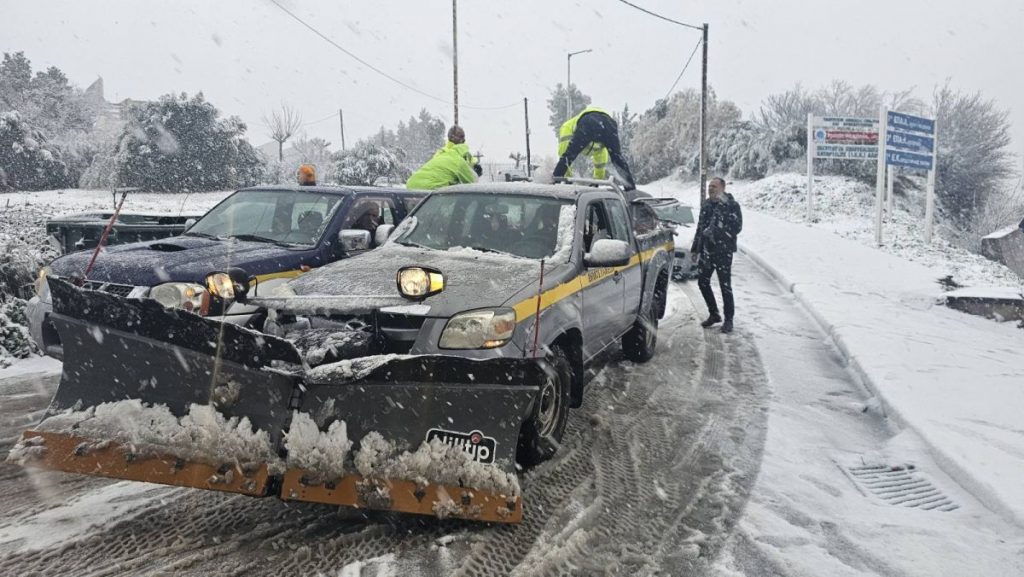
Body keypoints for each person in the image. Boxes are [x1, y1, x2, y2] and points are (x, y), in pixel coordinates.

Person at [691, 177, 743, 333]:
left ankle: (729, 320)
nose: (710, 189)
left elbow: (737, 227)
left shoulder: (731, 205)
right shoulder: (706, 204)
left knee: (725, 286)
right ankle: (714, 313)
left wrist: (718, 231)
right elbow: (700, 228)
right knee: (702, 282)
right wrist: (695, 249)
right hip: (707, 251)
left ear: (722, 188)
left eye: (714, 186)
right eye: (709, 186)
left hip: (723, 251)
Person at [552, 106, 636, 191]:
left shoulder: (566, 127)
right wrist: (596, 182)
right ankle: (631, 188)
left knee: (569, 154)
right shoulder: (599, 146)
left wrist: (564, 179)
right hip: (609, 123)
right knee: (617, 158)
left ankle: (553, 184)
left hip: (588, 121)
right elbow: (600, 162)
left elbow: (566, 155)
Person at [406, 126, 478, 190]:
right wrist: (473, 172)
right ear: (452, 137)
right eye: (461, 137)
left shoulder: (443, 154)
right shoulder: (457, 158)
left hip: (411, 184)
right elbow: (473, 183)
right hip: (430, 189)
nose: (464, 139)